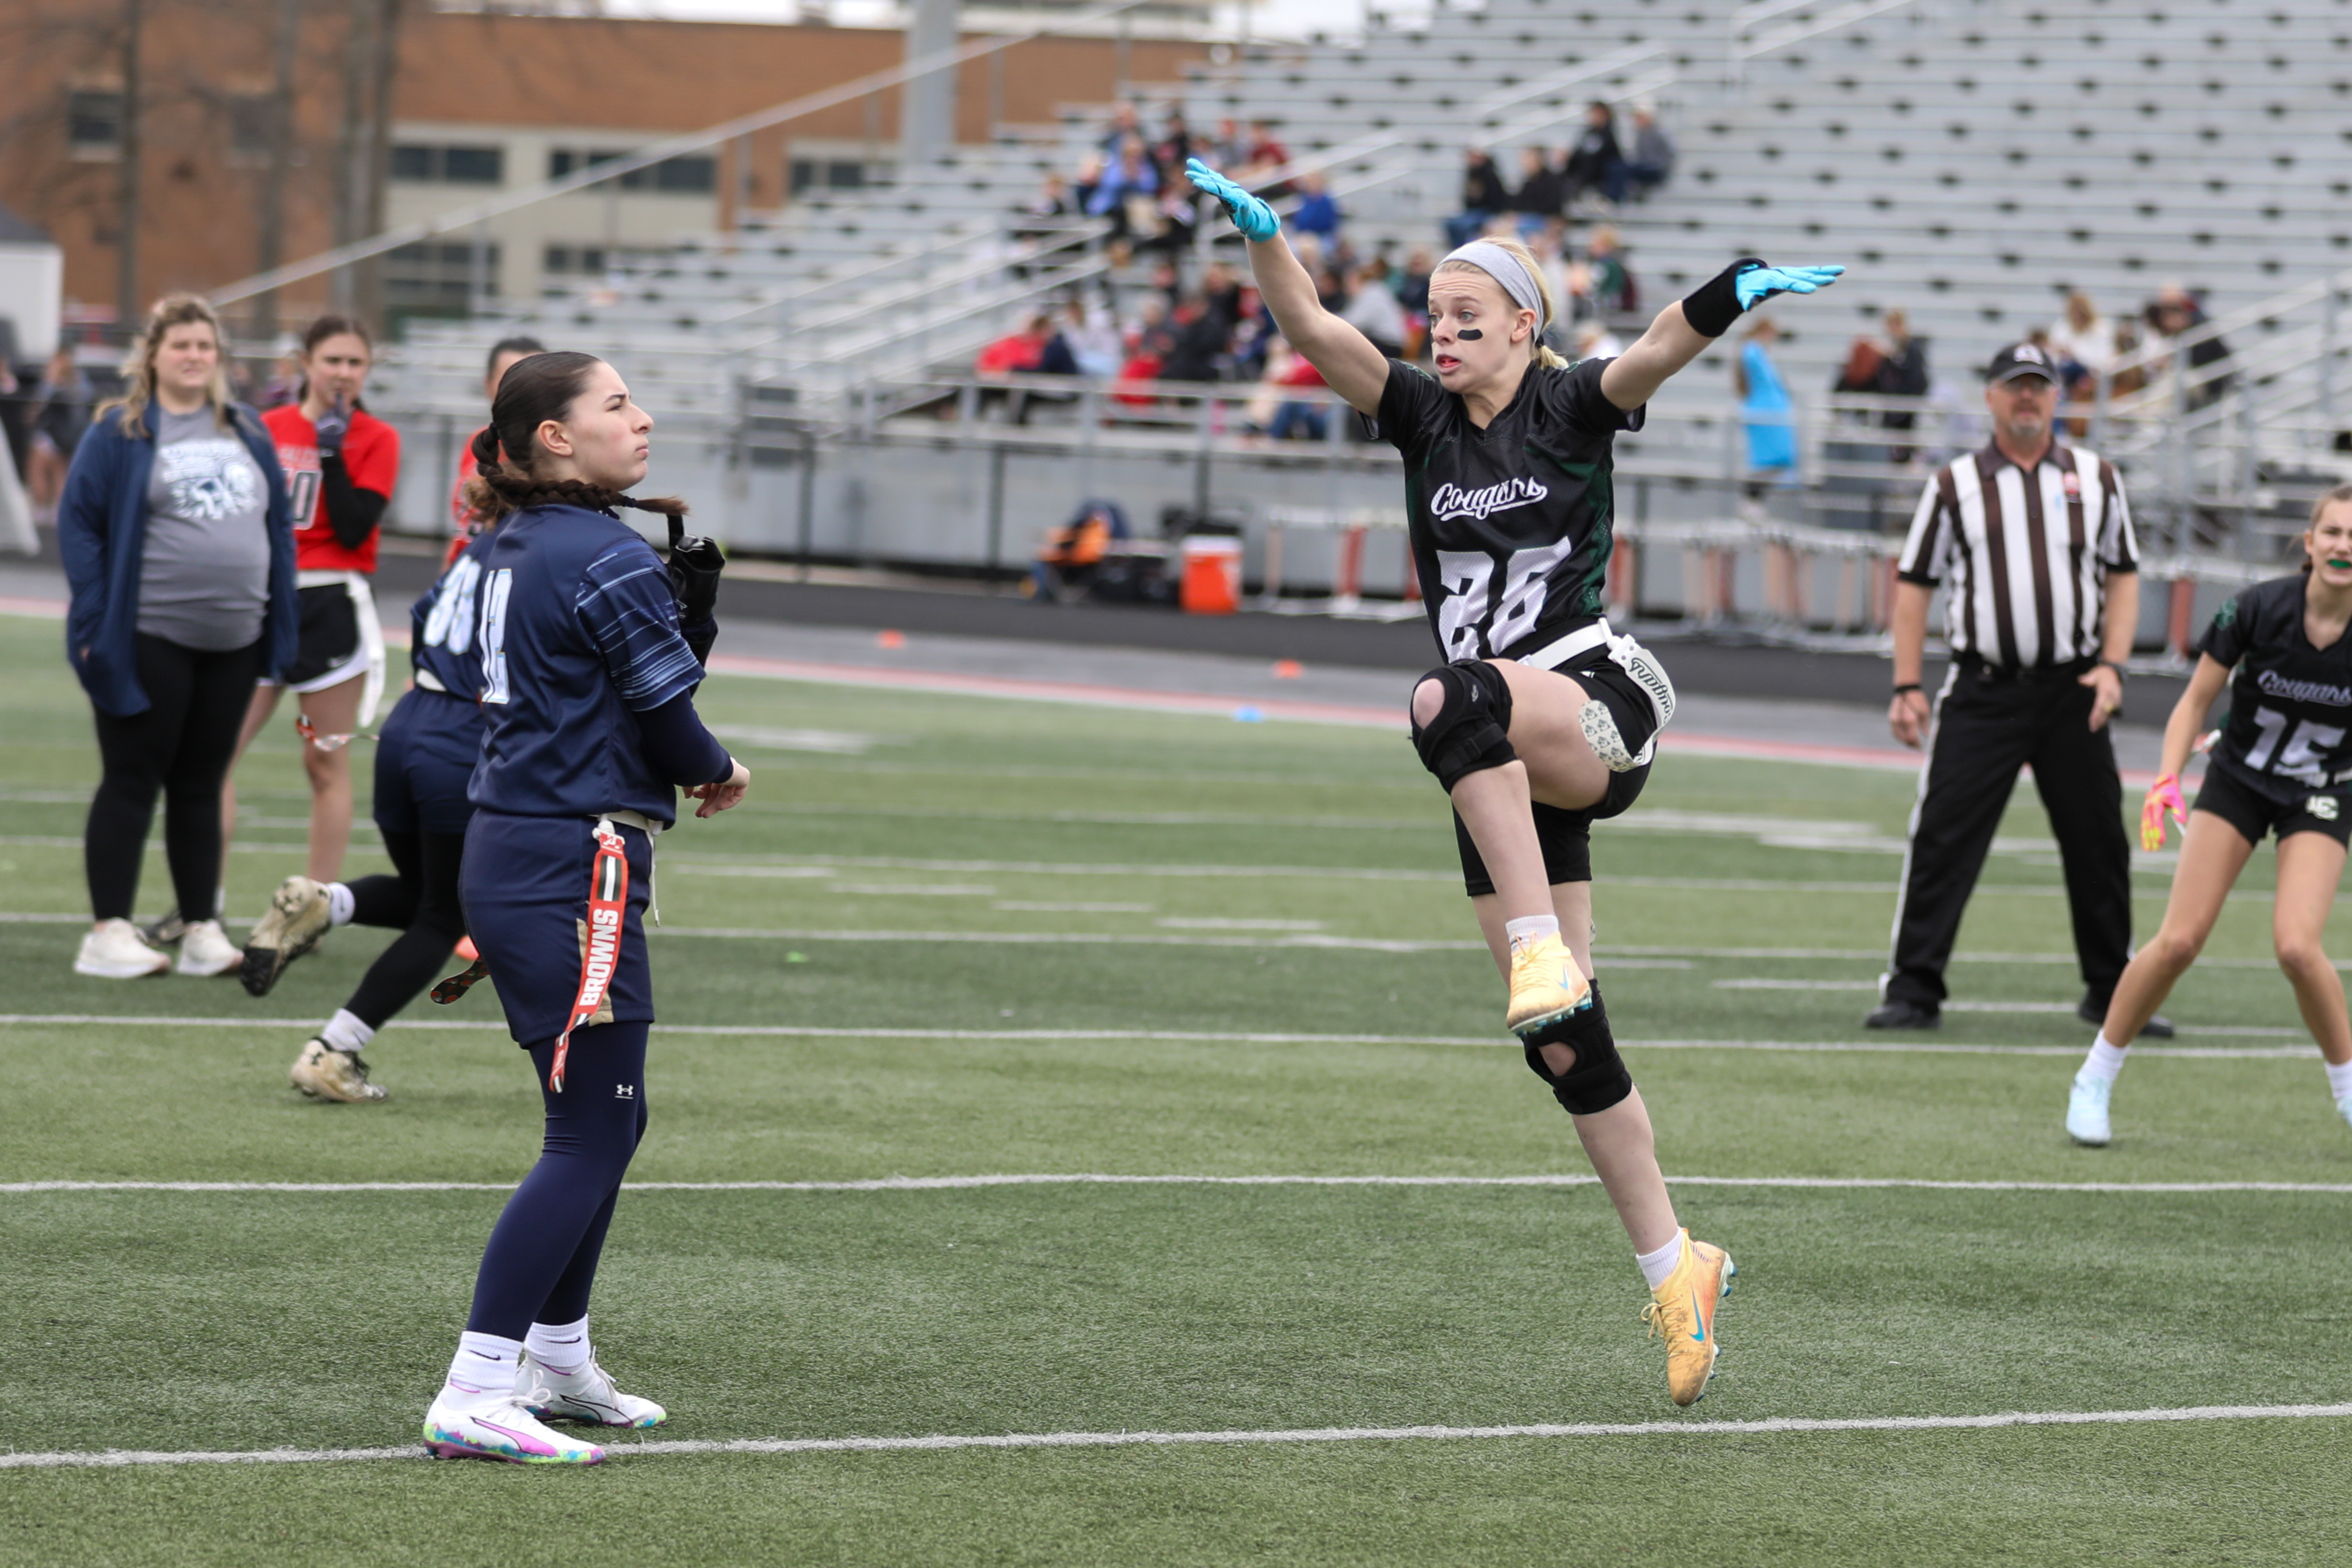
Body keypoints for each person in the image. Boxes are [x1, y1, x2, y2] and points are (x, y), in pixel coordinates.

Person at [1189, 151, 1842, 1406]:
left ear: (1524, 324)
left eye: (1464, 316)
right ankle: (1675, 1266)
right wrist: (1267, 240)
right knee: (1558, 1035)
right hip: (1494, 762)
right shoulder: (1421, 420)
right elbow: (1310, 323)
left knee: (1448, 693)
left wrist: (1730, 291)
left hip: (1590, 704)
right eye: (1432, 316)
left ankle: (1538, 939)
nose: (1440, 333)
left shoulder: (1569, 403)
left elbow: (1654, 347)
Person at [418, 350, 748, 1464]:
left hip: (526, 845)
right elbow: (665, 711)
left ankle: (555, 1355)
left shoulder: (512, 539)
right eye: (616, 404)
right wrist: (717, 762)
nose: (641, 418)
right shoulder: (599, 550)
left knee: (610, 1115)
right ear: (554, 436)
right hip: (572, 861)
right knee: (591, 1125)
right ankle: (475, 1384)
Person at [1874, 342, 2170, 1037]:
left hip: (2074, 689)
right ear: (1992, 396)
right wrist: (1908, 683)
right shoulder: (1954, 483)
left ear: (2058, 396)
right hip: (1985, 689)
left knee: (2099, 841)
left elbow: (2123, 572)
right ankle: (1914, 988)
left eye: (2039, 386)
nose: (2028, 397)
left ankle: (2110, 989)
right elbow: (1915, 584)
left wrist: (2114, 666)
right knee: (1944, 838)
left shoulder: (2097, 477)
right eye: (2016, 386)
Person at [2067, 487, 2352, 1145]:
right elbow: (2195, 701)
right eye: (2331, 532)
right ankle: (2095, 1075)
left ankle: (2345, 1091)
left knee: (2297, 947)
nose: (2343, 546)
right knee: (2180, 940)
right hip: (2240, 779)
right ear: (2308, 544)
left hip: (2321, 789)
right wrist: (2167, 777)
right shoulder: (2255, 608)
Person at [58, 295, 297, 980]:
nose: (194, 356)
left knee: (201, 781)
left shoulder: (247, 430)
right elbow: (80, 528)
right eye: (180, 345)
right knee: (133, 778)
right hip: (148, 636)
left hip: (233, 641)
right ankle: (107, 931)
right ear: (153, 356)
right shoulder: (120, 431)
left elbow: (277, 529)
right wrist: (93, 624)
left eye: (205, 346)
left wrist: (277, 628)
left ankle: (200, 928)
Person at [215, 316, 400, 917]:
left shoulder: (376, 436)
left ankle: (309, 906)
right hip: (263, 597)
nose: (344, 373)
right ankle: (203, 903)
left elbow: (352, 527)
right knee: (215, 753)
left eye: (355, 363)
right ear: (305, 363)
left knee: (325, 761)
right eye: (333, 361)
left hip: (330, 603)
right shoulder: (264, 428)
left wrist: (331, 447)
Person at [446, 335, 547, 568]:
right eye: (511, 380)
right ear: (488, 384)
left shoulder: (552, 453)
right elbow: (462, 528)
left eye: (533, 382)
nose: (523, 392)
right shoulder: (478, 441)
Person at [26, 346, 93, 525]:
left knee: (40, 471)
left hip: (50, 434)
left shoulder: (54, 383)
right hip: (67, 436)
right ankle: (56, 509)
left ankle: (42, 508)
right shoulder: (80, 381)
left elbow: (38, 409)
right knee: (59, 473)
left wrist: (50, 381)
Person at [1562, 101, 1624, 209]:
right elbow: (1579, 153)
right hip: (1582, 173)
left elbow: (1607, 156)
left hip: (1598, 176)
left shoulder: (1608, 134)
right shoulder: (1588, 133)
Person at [1448, 148, 1512, 248]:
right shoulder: (1471, 173)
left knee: (1465, 226)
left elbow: (1496, 198)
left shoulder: (1490, 174)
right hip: (1473, 212)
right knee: (1451, 224)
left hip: (1487, 212)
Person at [1623, 101, 1676, 199]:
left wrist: (1655, 166)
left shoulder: (1659, 133)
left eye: (1640, 118)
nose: (1637, 121)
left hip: (1656, 170)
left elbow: (1669, 156)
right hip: (1646, 167)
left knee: (1622, 169)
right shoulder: (1641, 134)